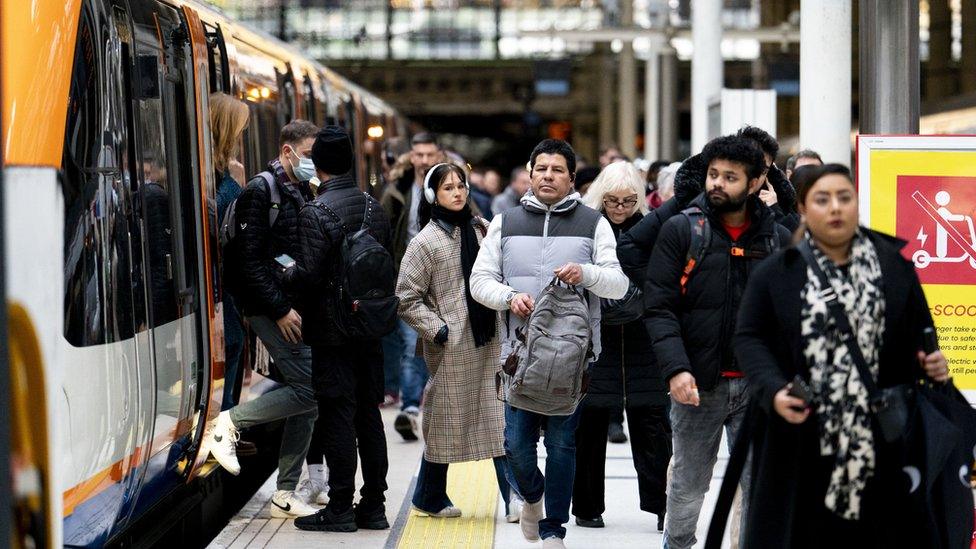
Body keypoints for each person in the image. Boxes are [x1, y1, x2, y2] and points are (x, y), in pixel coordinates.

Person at [734, 164, 952, 547]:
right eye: (822, 199)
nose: (835, 208)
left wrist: (931, 362)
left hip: (882, 436)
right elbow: (750, 338)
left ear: (856, 204)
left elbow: (921, 333)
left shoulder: (893, 265)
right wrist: (773, 389)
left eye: (844, 197)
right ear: (803, 208)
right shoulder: (777, 272)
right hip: (802, 433)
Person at [470, 139, 629, 549]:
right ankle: (533, 498)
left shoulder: (593, 223)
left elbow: (618, 283)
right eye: (541, 168)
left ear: (571, 178)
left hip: (572, 359)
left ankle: (553, 528)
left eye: (557, 170)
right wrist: (508, 297)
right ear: (530, 172)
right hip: (517, 357)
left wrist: (587, 273)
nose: (547, 176)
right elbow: (479, 281)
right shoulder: (505, 221)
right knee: (516, 446)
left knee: (561, 444)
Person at [643, 135, 791, 549]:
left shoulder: (777, 239)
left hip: (760, 389)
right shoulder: (681, 230)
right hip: (698, 385)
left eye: (730, 177)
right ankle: (678, 544)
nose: (717, 184)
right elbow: (659, 307)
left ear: (758, 180)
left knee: (759, 488)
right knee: (689, 486)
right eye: (713, 175)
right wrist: (676, 368)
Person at [206, 119, 321, 519]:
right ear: (287, 152)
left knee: (308, 398)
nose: (313, 163)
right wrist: (279, 308)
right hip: (268, 308)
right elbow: (247, 262)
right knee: (309, 389)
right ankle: (228, 423)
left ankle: (285, 492)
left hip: (288, 304)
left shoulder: (298, 188)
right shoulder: (261, 190)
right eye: (308, 155)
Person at [396, 162, 519, 522]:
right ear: (434, 194)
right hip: (451, 347)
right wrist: (439, 329)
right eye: (448, 188)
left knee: (499, 419)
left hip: (491, 340)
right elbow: (405, 297)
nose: (458, 192)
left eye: (461, 186)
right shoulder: (424, 242)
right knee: (446, 422)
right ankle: (429, 495)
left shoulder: (481, 231)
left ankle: (513, 498)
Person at [291, 126, 393, 532]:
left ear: (316, 164)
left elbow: (308, 278)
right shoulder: (375, 208)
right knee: (369, 415)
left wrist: (283, 273)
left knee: (337, 416)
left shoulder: (314, 213)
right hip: (369, 330)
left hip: (332, 335)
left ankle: (339, 509)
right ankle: (374, 506)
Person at [573, 161, 671, 532]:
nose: (620, 207)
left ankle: (662, 504)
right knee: (591, 423)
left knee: (652, 423)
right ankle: (586, 505)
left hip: (644, 336)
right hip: (598, 335)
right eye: (612, 200)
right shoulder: (587, 227)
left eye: (628, 200)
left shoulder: (652, 228)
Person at [380, 133, 443, 441]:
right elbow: (383, 233)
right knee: (410, 345)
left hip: (444, 283)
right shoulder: (399, 191)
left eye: (429, 154)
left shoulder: (450, 187)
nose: (424, 160)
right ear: (412, 157)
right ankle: (410, 409)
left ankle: (434, 405)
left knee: (440, 345)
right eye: (418, 154)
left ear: (438, 155)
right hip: (407, 282)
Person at [210, 92, 249, 411]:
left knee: (234, 344)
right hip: (218, 281)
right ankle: (225, 423)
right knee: (232, 344)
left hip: (228, 283)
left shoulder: (224, 170)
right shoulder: (221, 175)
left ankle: (228, 418)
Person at [736, 125, 800, 232]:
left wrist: (775, 210)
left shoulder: (778, 204)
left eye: (763, 171)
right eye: (751, 165)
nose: (756, 176)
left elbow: (797, 240)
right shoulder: (709, 201)